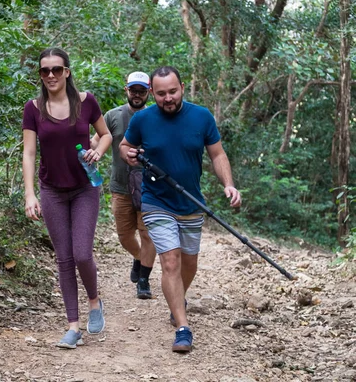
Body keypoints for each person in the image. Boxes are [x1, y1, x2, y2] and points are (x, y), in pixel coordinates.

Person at [119, 66, 241, 354]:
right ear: (152, 93)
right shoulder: (143, 119)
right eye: (161, 94)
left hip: (191, 202)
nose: (168, 98)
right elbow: (125, 146)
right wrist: (130, 156)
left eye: (172, 92)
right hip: (156, 201)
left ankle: (178, 301)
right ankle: (183, 328)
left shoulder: (201, 117)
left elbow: (217, 153)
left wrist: (229, 185)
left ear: (182, 88)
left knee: (189, 264)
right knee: (170, 262)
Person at [22, 47, 112, 349]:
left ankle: (94, 301)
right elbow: (30, 152)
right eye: (44, 71)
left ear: (67, 72)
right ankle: (73, 326)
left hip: (85, 187)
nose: (50, 75)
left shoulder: (85, 102)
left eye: (56, 70)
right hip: (51, 191)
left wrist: (97, 151)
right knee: (63, 259)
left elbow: (106, 134)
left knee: (82, 253)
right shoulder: (33, 108)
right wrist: (30, 194)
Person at [91, 72, 156, 299]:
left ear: (149, 92)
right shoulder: (112, 116)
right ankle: (139, 258)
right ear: (126, 90)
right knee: (125, 235)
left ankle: (144, 280)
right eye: (133, 90)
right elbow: (97, 140)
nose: (137, 95)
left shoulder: (157, 116)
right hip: (121, 186)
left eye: (142, 91)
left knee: (147, 234)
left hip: (151, 187)